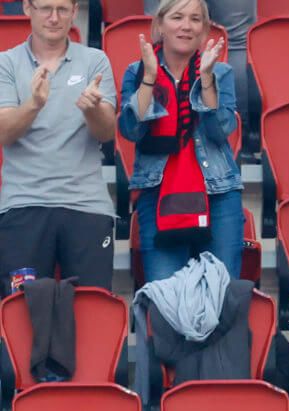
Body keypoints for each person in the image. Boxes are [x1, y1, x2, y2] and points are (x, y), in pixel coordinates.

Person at [119, 0, 243, 282]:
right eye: (177, 17)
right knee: (166, 298)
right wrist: (150, 78)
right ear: (160, 25)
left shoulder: (220, 72)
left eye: (195, 19)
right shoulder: (136, 72)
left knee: (222, 294)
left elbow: (220, 129)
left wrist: (207, 79)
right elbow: (131, 130)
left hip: (218, 193)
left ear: (204, 29)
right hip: (159, 193)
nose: (186, 26)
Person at [0, 0, 116, 294]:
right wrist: (34, 104)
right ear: (27, 8)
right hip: (24, 203)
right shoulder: (6, 63)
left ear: (75, 11)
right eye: (45, 8)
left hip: (86, 204)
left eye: (63, 9)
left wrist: (92, 109)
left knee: (92, 315)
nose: (54, 17)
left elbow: (106, 132)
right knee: (22, 318)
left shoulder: (94, 60)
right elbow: (4, 133)